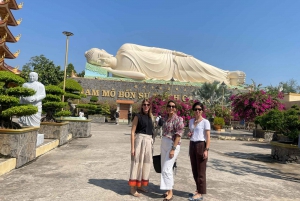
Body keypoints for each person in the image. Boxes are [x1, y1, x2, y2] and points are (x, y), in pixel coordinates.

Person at [85, 43, 246, 86]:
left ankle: (226, 74)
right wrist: (111, 71)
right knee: (201, 78)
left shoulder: (124, 48)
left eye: (100, 56)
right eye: (98, 62)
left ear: (103, 50)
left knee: (199, 65)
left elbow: (153, 49)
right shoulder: (118, 70)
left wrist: (173, 52)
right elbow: (141, 76)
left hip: (170, 60)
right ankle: (225, 80)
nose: (101, 60)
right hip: (168, 74)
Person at [128, 99, 154, 197]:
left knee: (145, 164)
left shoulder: (151, 117)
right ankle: (132, 188)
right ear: (142, 106)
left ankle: (140, 185)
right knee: (137, 163)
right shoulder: (137, 116)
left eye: (148, 104)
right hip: (139, 141)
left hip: (148, 142)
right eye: (144, 104)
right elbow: (132, 132)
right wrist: (132, 148)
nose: (146, 106)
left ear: (150, 106)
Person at [160, 100, 184, 201]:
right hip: (164, 143)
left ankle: (171, 192)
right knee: (163, 168)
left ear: (175, 109)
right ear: (166, 108)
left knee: (167, 168)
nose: (171, 108)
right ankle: (167, 189)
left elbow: (178, 135)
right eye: (169, 106)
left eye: (173, 106)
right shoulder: (165, 118)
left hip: (172, 144)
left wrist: (173, 149)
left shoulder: (179, 119)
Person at [187, 102, 211, 201]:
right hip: (192, 144)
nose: (197, 111)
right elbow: (191, 133)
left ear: (202, 111)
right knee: (194, 169)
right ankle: (197, 189)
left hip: (201, 145)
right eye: (196, 109)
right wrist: (189, 134)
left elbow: (208, 137)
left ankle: (201, 193)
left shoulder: (205, 122)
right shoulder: (191, 121)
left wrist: (206, 149)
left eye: (199, 109)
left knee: (201, 170)